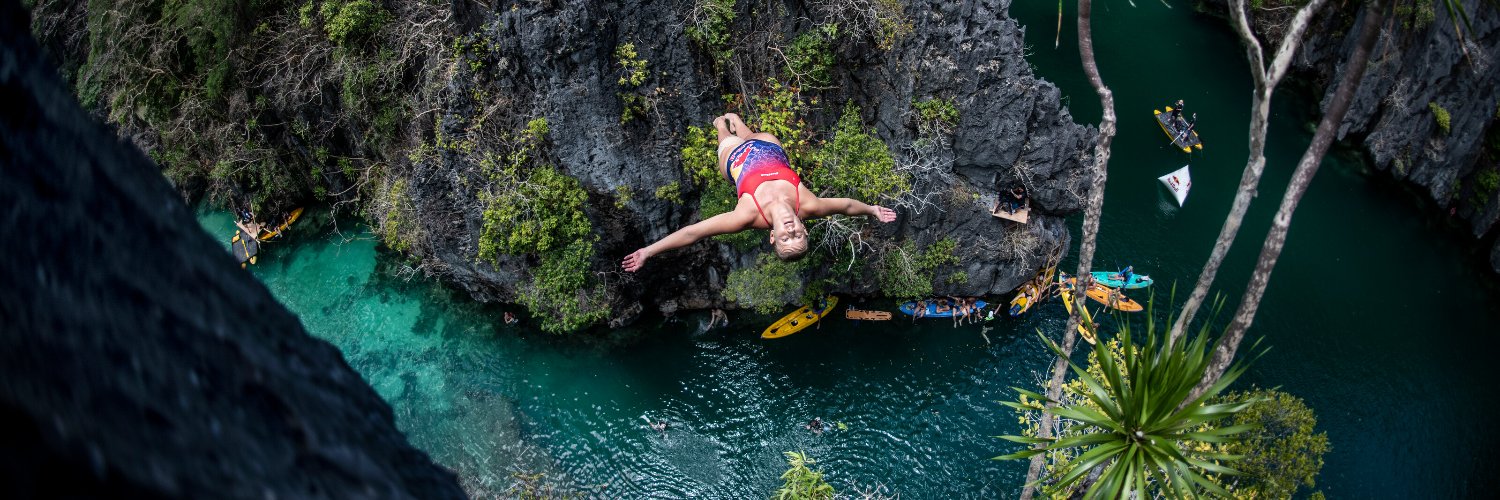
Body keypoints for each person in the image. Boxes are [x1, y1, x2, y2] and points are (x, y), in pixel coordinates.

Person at [622, 113, 898, 272]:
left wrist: (649, 250)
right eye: (798, 234)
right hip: (769, 148)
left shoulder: (747, 215)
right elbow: (848, 206)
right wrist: (872, 209)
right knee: (749, 131)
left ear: (772, 236)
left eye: (785, 237)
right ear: (805, 228)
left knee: (725, 134)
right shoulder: (810, 205)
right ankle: (736, 119)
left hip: (735, 160)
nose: (791, 230)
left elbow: (694, 232)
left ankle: (720, 124)